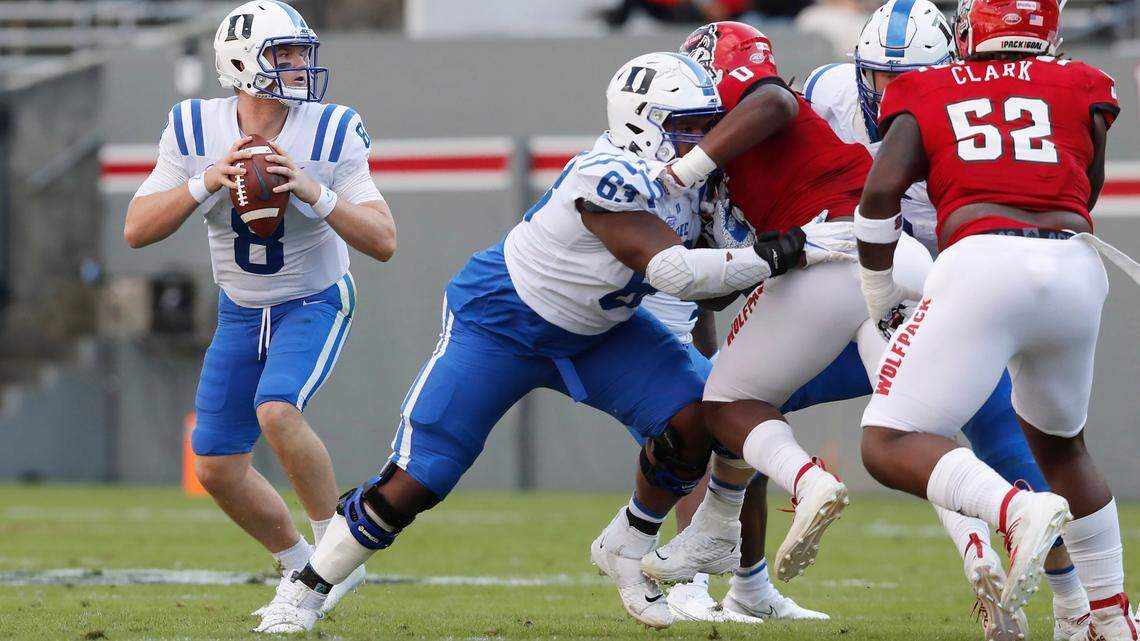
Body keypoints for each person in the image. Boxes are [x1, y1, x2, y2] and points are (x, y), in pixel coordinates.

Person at [248, 51, 857, 633]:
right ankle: (305, 591)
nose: (702, 140)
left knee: (707, 414)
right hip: (502, 322)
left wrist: (760, 252)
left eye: (707, 125)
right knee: (420, 477)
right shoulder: (608, 173)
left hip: (603, 332)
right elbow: (673, 273)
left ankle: (629, 540)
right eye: (686, 126)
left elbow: (713, 293)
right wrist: (782, 250)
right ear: (639, 123)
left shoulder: (697, 184)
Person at [854, 0, 1135, 637]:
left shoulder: (927, 86)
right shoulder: (1082, 81)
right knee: (1064, 446)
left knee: (887, 440)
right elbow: (1084, 187)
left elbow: (878, 197)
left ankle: (1014, 509)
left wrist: (878, 294)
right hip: (1074, 266)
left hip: (982, 261)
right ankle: (1111, 620)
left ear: (969, 29)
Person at [636, 21, 931, 605]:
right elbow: (715, 295)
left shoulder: (759, 106)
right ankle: (1006, 521)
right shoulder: (734, 160)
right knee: (918, 426)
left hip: (833, 255)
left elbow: (771, 101)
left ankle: (806, 480)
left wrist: (683, 172)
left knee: (723, 405)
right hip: (900, 256)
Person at [123, 0, 395, 618]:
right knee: (217, 465)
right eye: (286, 54)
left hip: (315, 298)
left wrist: (313, 192)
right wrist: (205, 182)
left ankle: (335, 552)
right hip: (241, 309)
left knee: (276, 409)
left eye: (302, 53)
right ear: (242, 63)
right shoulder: (194, 128)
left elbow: (383, 240)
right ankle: (300, 567)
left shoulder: (331, 129)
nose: (300, 65)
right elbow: (136, 229)